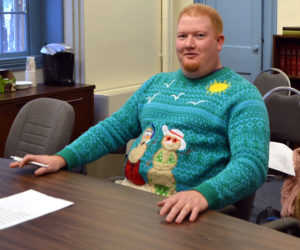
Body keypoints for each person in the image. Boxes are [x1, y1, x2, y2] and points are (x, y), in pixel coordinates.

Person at [10, 4, 270, 224]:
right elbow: (112, 129)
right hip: (135, 202)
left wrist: (203, 195)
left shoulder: (242, 95)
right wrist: (61, 158)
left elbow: (251, 165)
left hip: (189, 212)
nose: (188, 44)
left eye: (199, 35)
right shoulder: (156, 84)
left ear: (219, 41)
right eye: (182, 36)